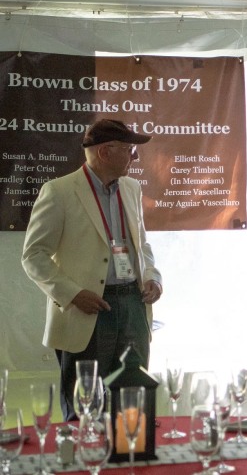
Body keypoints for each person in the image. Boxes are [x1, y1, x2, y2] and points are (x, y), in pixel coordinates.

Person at [21, 119, 163, 421]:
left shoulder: (132, 188)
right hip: (88, 310)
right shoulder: (59, 191)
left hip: (133, 306)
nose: (135, 157)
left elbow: (142, 245)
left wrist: (152, 277)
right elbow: (34, 255)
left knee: (132, 404)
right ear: (105, 152)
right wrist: (72, 295)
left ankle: (131, 464)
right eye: (130, 150)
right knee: (85, 409)